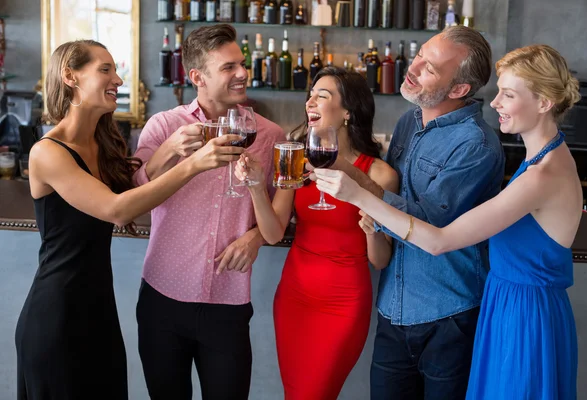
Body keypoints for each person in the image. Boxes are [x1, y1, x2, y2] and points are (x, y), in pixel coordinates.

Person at [315, 44, 581, 400]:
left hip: (524, 319)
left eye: (508, 94)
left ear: (545, 103)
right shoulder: (542, 160)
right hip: (505, 308)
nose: (496, 102)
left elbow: (439, 240)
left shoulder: (540, 175)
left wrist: (359, 194)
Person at [15, 40, 243, 400]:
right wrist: (193, 165)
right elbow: (118, 209)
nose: (118, 79)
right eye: (105, 70)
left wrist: (168, 150)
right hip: (57, 314)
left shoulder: (103, 141)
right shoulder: (47, 152)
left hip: (99, 310)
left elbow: (134, 187)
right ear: (70, 76)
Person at [311, 26, 505, 400]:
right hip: (393, 310)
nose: (412, 67)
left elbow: (428, 226)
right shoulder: (408, 121)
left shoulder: (476, 145)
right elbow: (389, 201)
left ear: (459, 89)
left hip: (448, 315)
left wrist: (358, 185)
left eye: (429, 68)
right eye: (419, 55)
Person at [133, 24, 285, 400]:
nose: (243, 73)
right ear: (197, 76)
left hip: (228, 302)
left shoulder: (270, 135)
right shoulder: (165, 125)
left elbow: (277, 215)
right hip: (162, 299)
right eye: (229, 67)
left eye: (242, 64)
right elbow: (134, 196)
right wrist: (168, 150)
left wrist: (254, 236)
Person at [235, 66, 399, 399]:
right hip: (295, 296)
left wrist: (372, 230)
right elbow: (272, 231)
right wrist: (254, 186)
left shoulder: (379, 174)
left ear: (348, 112)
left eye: (322, 96)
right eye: (310, 94)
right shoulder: (296, 159)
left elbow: (380, 261)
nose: (310, 101)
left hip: (344, 303)